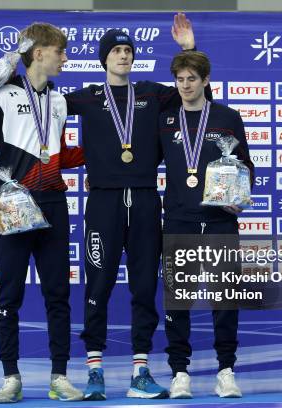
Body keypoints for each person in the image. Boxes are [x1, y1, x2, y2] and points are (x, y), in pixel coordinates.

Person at [64, 13, 205, 400]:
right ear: (104, 58)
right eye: (116, 51)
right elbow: (43, 103)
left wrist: (188, 49)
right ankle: (94, 371)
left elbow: (192, 89)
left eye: (128, 51)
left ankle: (140, 372)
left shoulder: (152, 93)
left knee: (145, 287)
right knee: (99, 284)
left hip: (144, 200)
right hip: (104, 202)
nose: (123, 56)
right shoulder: (88, 97)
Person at [0, 22, 85, 403]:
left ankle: (60, 377)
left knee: (58, 295)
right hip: (11, 205)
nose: (65, 58)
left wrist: (103, 153)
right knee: (9, 296)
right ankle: (10, 377)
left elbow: (59, 153)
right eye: (60, 52)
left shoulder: (61, 100)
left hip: (52, 203)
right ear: (39, 53)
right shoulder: (2, 96)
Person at [158, 50, 254, 399]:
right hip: (179, 220)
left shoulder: (228, 118)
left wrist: (241, 197)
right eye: (180, 80)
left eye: (192, 79)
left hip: (219, 222)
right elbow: (141, 163)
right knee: (177, 300)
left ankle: (226, 371)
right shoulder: (166, 120)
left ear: (206, 81)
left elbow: (246, 165)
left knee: (225, 298)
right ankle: (180, 373)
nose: (185, 85)